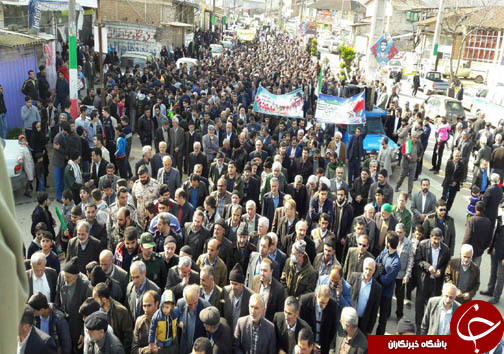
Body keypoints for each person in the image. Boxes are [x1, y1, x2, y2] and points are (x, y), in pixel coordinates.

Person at [414, 228, 451, 333]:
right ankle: (418, 329)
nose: (436, 242)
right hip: (423, 282)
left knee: (434, 307)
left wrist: (441, 271)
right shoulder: (423, 245)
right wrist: (428, 266)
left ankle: (429, 329)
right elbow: (418, 260)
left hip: (436, 284)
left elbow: (447, 265)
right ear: (430, 237)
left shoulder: (446, 250)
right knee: (420, 306)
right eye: (434, 239)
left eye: (438, 239)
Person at [92, 282, 133, 352]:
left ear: (104, 299)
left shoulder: (121, 312)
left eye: (96, 299)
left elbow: (128, 337)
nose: (94, 301)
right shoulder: (95, 308)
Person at [298, 285, 337, 354]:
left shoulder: (333, 305)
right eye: (322, 302)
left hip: (323, 347)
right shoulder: (305, 301)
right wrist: (311, 345)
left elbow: (332, 330)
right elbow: (300, 325)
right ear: (316, 295)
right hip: (306, 345)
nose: (324, 306)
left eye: (326, 303)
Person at [375, 231, 401, 335]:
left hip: (386, 295)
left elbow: (386, 280)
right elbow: (375, 262)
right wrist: (379, 270)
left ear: (389, 243)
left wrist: (378, 272)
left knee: (382, 320)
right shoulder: (384, 251)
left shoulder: (396, 262)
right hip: (377, 290)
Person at [177, 284, 210, 354]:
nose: (193, 307)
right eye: (189, 304)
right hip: (184, 349)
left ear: (198, 296)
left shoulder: (206, 307)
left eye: (195, 303)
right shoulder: (180, 304)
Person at [148, 289, 181, 354]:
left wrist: (180, 321)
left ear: (172, 307)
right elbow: (152, 330)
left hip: (170, 339)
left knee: (168, 351)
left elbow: (180, 315)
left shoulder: (175, 312)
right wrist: (151, 342)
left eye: (167, 307)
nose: (165, 310)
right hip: (160, 340)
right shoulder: (157, 316)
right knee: (160, 351)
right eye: (163, 307)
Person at [394, 223, 414, 320]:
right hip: (391, 272)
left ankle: (399, 314)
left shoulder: (408, 244)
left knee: (400, 296)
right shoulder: (391, 239)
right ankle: (386, 312)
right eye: (397, 232)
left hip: (401, 275)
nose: (398, 234)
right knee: (388, 295)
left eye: (400, 232)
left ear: (404, 233)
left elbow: (410, 260)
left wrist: (407, 275)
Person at [463, 201, 492, 267]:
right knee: (475, 270)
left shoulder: (472, 219)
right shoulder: (488, 221)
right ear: (484, 209)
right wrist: (484, 247)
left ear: (476, 208)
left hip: (469, 249)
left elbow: (468, 235)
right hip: (479, 250)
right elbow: (489, 237)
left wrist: (464, 247)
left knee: (465, 268)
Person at [395, 132, 423, 197]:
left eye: (416, 138)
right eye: (414, 137)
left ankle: (409, 193)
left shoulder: (418, 143)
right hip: (406, 163)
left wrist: (420, 156)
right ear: (411, 137)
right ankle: (397, 186)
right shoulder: (408, 143)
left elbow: (421, 150)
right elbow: (403, 151)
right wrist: (407, 155)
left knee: (411, 179)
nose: (415, 139)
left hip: (414, 163)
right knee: (402, 176)